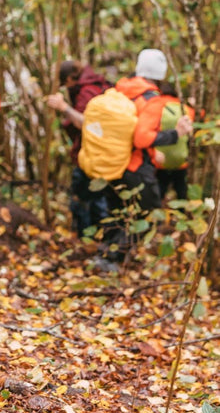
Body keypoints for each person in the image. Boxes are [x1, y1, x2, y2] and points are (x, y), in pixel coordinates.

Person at [101, 48, 193, 263]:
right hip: (135, 164)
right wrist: (175, 134)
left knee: (118, 211)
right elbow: (141, 138)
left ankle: (104, 255)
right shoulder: (151, 99)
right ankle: (113, 258)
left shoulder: (121, 89)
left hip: (113, 161)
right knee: (151, 214)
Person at [45, 60, 111, 236]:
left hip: (90, 155)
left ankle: (87, 242)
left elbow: (87, 124)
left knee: (85, 201)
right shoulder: (98, 85)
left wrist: (63, 108)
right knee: (97, 200)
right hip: (104, 154)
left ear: (69, 79)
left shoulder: (87, 91)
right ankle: (97, 241)